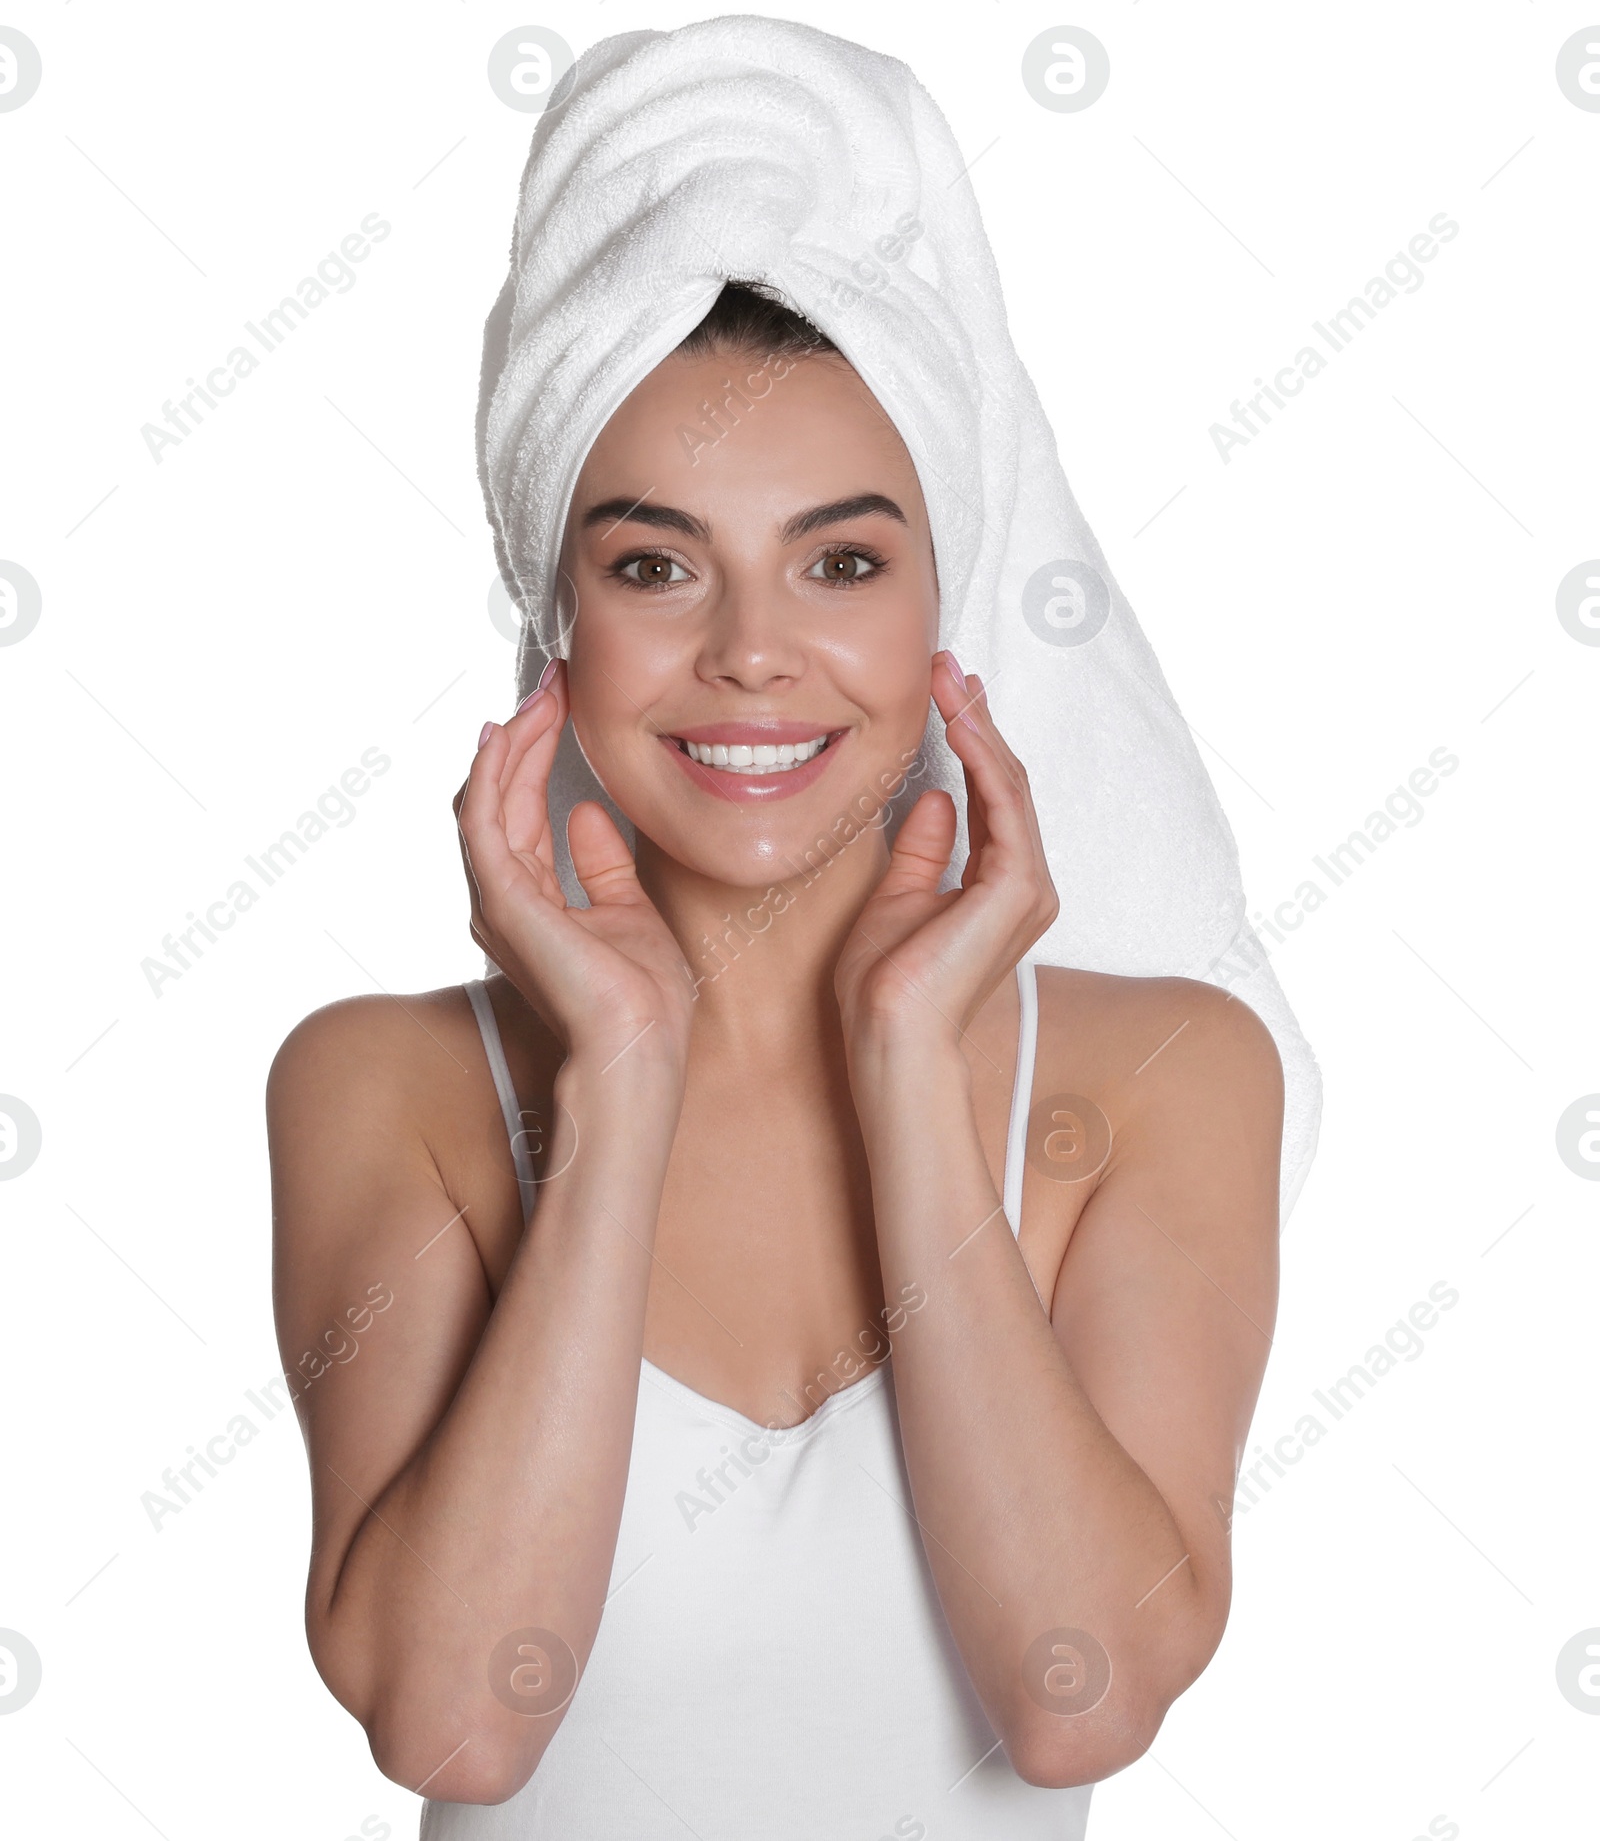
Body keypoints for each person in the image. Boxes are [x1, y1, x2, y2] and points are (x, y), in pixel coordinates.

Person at [267, 276, 1286, 1838]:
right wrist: (616, 1080)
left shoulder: (1167, 1074)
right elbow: (455, 1724)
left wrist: (906, 1071)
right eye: (658, 565)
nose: (752, 652)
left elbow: (1075, 1702)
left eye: (842, 562)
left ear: (947, 606)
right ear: (557, 624)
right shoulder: (378, 1086)